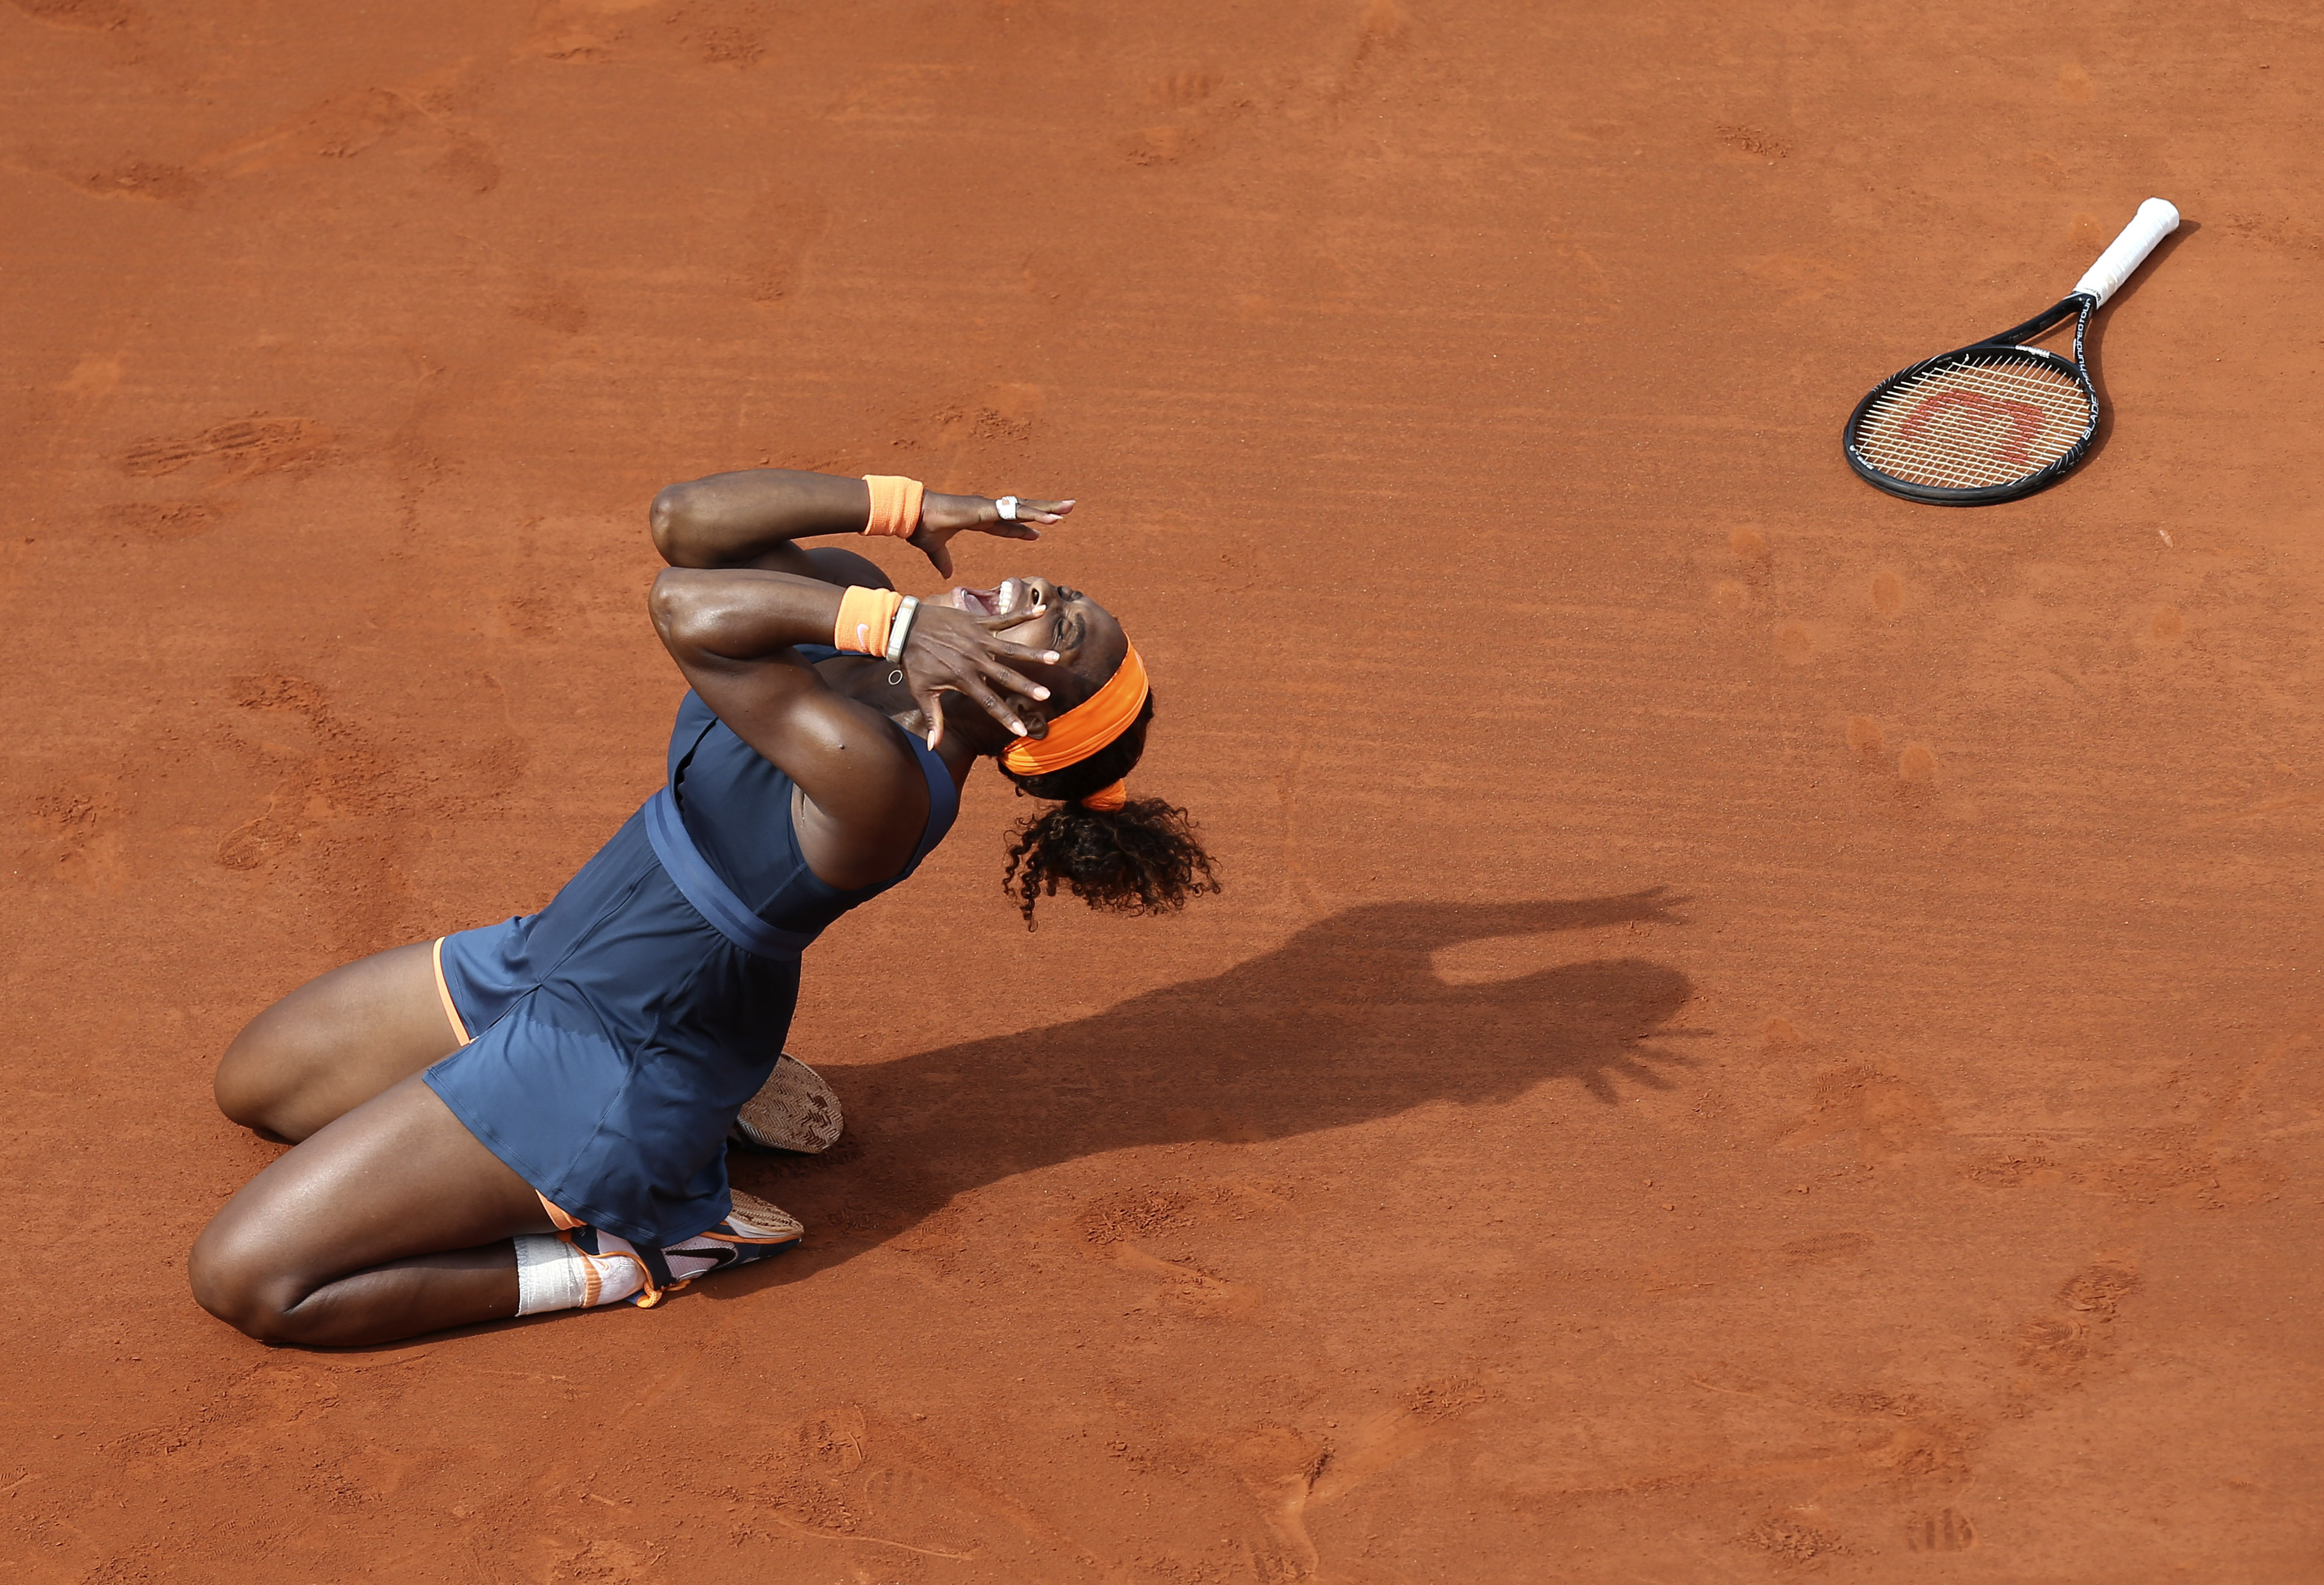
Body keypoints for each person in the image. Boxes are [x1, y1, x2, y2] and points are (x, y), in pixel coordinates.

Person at [188, 467, 1219, 1347]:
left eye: (1062, 621)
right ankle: (725, 1091)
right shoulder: (864, 627)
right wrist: (906, 510)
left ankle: (643, 1251)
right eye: (1064, 589)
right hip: (557, 957)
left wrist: (903, 624)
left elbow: (686, 610)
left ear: (1025, 700)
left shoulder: (884, 790)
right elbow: (684, 524)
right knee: (258, 1087)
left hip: (609, 1064)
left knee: (248, 1279)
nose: (1041, 584)